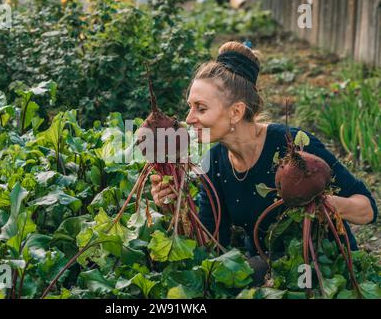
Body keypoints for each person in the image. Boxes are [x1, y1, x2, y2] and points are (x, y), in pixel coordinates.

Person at [150, 41, 378, 283]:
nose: (189, 118)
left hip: (327, 267)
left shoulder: (291, 145)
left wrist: (322, 203)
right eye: (190, 107)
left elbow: (367, 209)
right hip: (267, 270)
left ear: (236, 112)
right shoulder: (214, 163)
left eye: (201, 108)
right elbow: (212, 243)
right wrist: (173, 207)